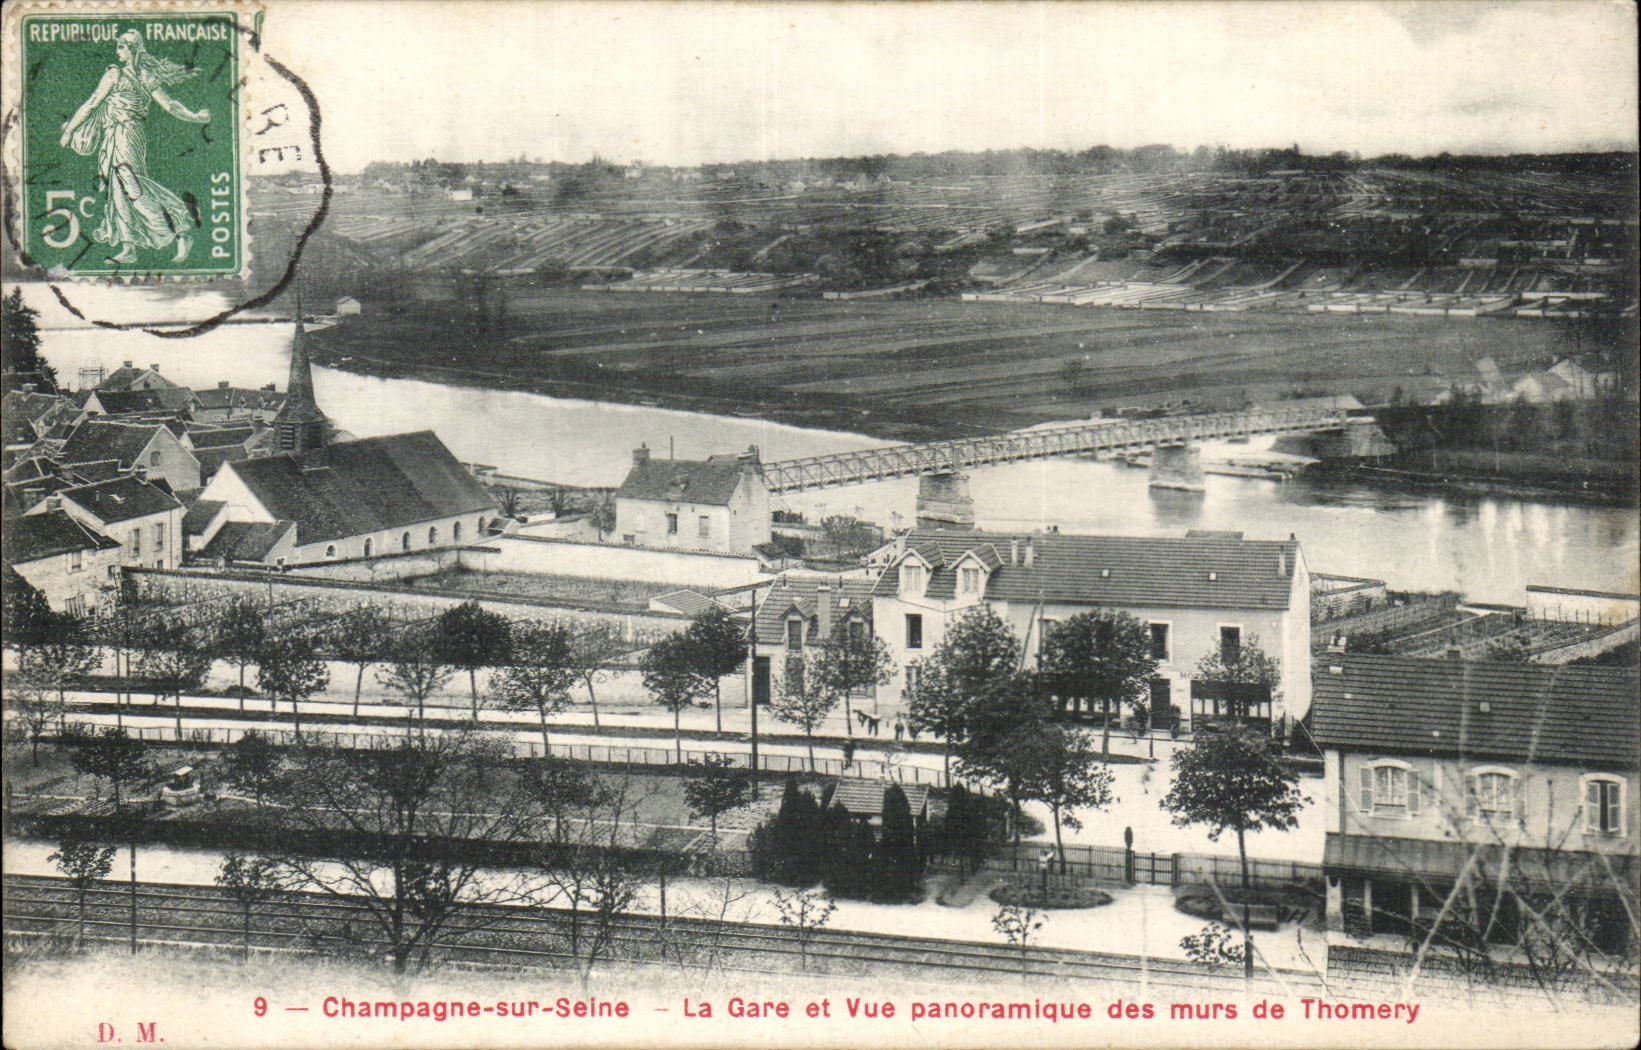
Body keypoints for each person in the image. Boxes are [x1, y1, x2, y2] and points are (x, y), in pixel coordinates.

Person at [59, 29, 211, 265]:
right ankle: (129, 247)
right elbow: (170, 105)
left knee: (132, 186)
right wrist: (195, 117)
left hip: (127, 135)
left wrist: (195, 117)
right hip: (115, 136)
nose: (117, 51)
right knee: (118, 192)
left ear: (131, 49)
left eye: (121, 47)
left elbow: (93, 103)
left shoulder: (119, 75)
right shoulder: (136, 75)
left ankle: (180, 231)